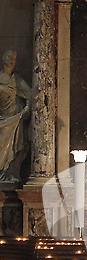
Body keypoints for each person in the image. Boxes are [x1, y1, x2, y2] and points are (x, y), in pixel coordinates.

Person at [0, 50, 31, 183]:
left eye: (14, 58)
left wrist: (27, 109)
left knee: (16, 146)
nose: (12, 60)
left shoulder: (17, 79)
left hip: (16, 118)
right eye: (9, 57)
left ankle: (11, 172)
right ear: (3, 59)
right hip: (3, 119)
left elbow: (31, 95)